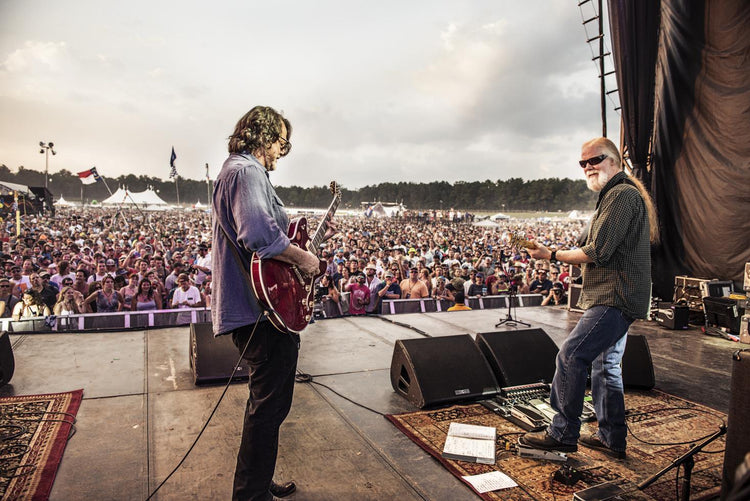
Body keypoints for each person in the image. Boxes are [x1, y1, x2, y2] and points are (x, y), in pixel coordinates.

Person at [212, 106, 336, 501]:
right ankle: (250, 495)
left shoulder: (239, 171)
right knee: (267, 410)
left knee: (267, 406)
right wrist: (307, 259)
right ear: (264, 136)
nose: (284, 151)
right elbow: (258, 234)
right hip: (257, 312)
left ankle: (256, 483)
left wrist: (300, 238)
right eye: (282, 142)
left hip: (258, 309)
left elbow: (268, 232)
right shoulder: (246, 171)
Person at [519, 137, 658, 460]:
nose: (587, 168)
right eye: (582, 163)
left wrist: (550, 254)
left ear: (614, 160)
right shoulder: (614, 195)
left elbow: (598, 252)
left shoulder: (622, 196)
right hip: (618, 294)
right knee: (606, 365)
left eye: (594, 160)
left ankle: (562, 432)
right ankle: (612, 438)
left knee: (571, 357)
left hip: (615, 296)